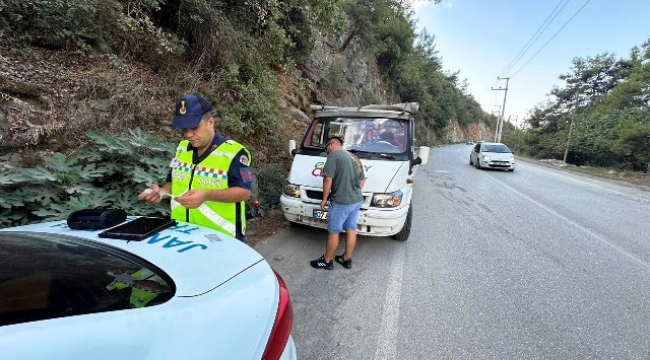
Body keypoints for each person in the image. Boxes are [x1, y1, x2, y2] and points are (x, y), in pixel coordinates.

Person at [138, 93, 253, 241]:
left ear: (210, 122)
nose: (188, 135)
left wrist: (207, 194)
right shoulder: (182, 148)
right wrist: (160, 192)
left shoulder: (235, 153)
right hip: (182, 234)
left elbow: (244, 192)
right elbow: (173, 184)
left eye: (194, 128)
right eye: (184, 129)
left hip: (222, 239)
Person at [310, 136, 366, 270]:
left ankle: (327, 261)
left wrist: (324, 199)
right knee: (351, 228)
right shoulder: (354, 157)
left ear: (331, 145)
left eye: (326, 148)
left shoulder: (333, 155)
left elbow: (328, 179)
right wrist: (351, 192)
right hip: (356, 200)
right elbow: (361, 181)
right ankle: (346, 259)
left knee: (334, 231)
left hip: (341, 202)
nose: (327, 152)